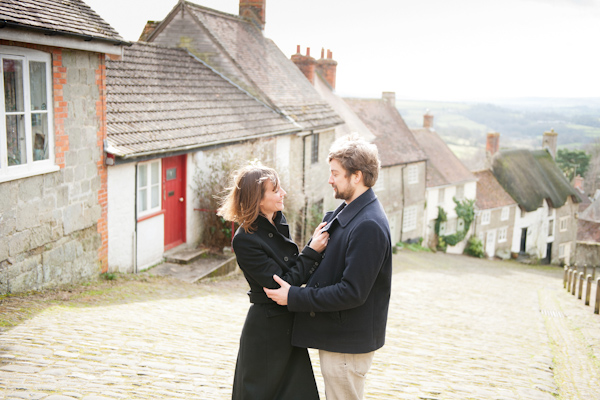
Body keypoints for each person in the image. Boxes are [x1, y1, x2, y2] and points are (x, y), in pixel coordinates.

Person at [264, 134, 392, 400]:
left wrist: (293, 297)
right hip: (339, 339)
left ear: (356, 176)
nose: (330, 179)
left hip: (348, 345)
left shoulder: (368, 224)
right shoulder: (349, 213)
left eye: (335, 173)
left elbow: (351, 292)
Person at [217, 162, 329, 400]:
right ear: (258, 199)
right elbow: (282, 286)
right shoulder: (244, 239)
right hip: (267, 333)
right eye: (276, 190)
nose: (283, 193)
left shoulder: (277, 221)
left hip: (289, 326)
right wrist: (312, 250)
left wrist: (316, 250)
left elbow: (296, 270)